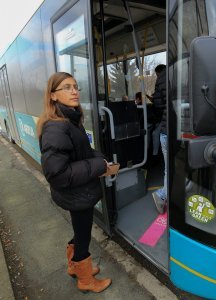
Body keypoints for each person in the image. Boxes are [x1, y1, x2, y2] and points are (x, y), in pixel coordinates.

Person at [37, 72, 118, 293]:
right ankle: (85, 280)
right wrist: (98, 167)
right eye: (66, 87)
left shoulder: (70, 119)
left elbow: (83, 151)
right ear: (53, 96)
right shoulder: (56, 127)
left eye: (75, 86)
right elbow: (57, 173)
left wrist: (102, 160)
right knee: (83, 235)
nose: (74, 91)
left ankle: (75, 267)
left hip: (78, 192)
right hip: (77, 195)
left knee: (80, 231)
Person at [151, 64, 167, 214]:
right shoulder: (174, 76)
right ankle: (162, 195)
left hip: (165, 126)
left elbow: (157, 103)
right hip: (170, 127)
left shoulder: (161, 80)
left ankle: (154, 155)